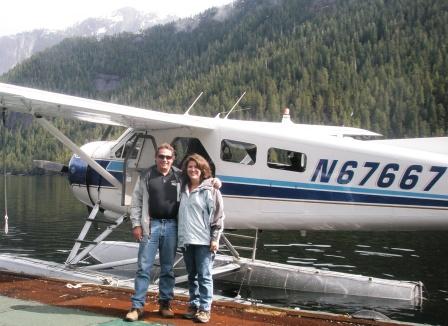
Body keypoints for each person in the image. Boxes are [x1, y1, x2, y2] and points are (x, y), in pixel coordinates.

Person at [125, 143, 180, 321]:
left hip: (172, 226)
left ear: (173, 159)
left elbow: (198, 182)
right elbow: (136, 201)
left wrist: (214, 182)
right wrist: (136, 224)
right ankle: (137, 307)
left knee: (168, 268)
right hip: (151, 226)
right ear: (156, 158)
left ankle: (165, 303)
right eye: (161, 156)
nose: (165, 160)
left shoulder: (180, 176)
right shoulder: (146, 175)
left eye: (168, 157)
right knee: (143, 267)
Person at [178, 154, 225, 323]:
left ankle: (205, 309)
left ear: (203, 170)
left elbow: (218, 216)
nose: (192, 170)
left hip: (204, 241)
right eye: (190, 167)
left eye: (196, 167)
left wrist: (215, 238)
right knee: (192, 275)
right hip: (187, 239)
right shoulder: (182, 188)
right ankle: (194, 304)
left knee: (204, 276)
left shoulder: (211, 189)